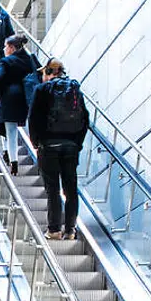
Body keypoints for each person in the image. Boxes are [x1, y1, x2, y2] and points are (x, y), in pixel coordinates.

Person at [27, 58, 90, 241]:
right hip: (71, 146)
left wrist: (36, 142)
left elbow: (34, 118)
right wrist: (77, 143)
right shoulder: (74, 90)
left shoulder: (42, 90)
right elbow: (85, 118)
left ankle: (54, 230)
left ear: (48, 73)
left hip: (48, 145)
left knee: (53, 189)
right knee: (71, 189)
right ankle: (70, 230)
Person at [0, 35, 41, 175]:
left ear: (12, 48)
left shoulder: (6, 61)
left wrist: (0, 93)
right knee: (18, 126)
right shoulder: (30, 58)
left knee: (10, 129)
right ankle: (10, 155)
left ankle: (13, 160)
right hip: (26, 97)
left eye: (6, 46)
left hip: (9, 96)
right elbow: (38, 73)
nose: (4, 48)